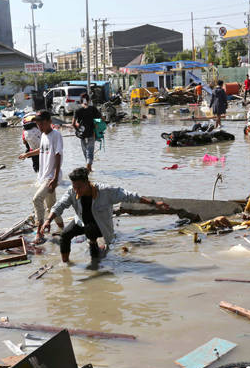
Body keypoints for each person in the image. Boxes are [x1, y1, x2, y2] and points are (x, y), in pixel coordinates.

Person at [41, 167, 169, 263]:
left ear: (87, 182)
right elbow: (60, 205)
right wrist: (48, 220)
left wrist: (154, 203)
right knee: (64, 235)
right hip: (81, 222)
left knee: (95, 259)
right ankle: (66, 265)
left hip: (100, 227)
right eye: (74, 187)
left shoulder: (105, 191)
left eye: (79, 187)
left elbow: (130, 196)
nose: (76, 190)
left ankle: (94, 245)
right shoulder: (72, 191)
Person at [18, 110, 65, 243]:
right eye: (37, 124)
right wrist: (26, 154)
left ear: (50, 122)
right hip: (44, 175)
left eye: (42, 124)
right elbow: (42, 150)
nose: (39, 127)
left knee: (37, 199)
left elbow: (58, 155)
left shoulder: (56, 135)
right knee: (52, 207)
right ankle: (64, 229)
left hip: (51, 176)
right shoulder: (43, 135)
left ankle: (39, 232)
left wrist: (55, 178)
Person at [72, 93, 102, 173]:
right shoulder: (93, 108)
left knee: (85, 151)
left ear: (80, 100)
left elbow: (73, 123)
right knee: (90, 151)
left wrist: (78, 130)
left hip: (82, 134)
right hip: (91, 133)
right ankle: (89, 166)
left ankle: (89, 167)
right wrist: (96, 126)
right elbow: (100, 119)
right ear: (88, 100)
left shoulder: (77, 109)